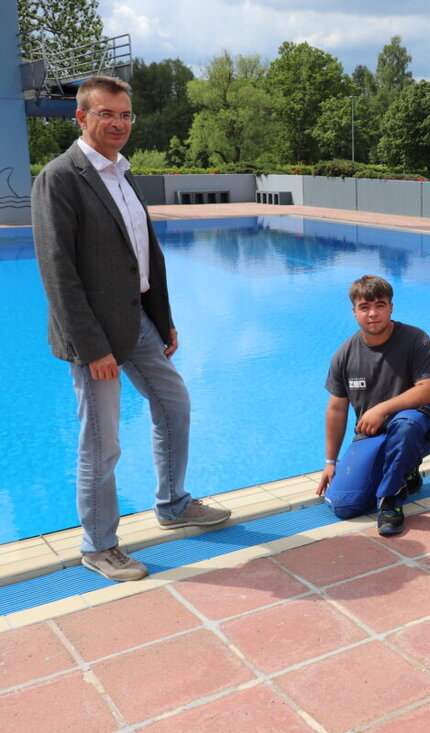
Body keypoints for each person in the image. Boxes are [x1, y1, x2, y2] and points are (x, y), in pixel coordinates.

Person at [32, 75, 230, 583]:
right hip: (94, 334)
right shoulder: (60, 178)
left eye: (125, 115)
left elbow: (144, 255)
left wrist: (162, 320)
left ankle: (173, 503)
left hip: (137, 320)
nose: (118, 123)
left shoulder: (122, 172)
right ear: (81, 117)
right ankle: (98, 545)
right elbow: (58, 272)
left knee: (174, 403)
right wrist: (92, 347)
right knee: (102, 443)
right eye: (106, 114)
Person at [316, 275, 430, 537]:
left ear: (391, 308)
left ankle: (390, 503)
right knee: (344, 505)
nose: (373, 314)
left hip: (419, 426)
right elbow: (336, 409)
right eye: (365, 307)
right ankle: (407, 474)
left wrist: (381, 409)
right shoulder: (345, 354)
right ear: (354, 312)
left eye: (380, 305)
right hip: (373, 434)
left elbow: (429, 390)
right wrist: (330, 462)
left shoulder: (416, 339)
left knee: (406, 424)